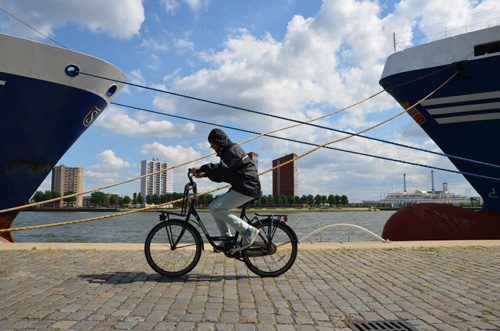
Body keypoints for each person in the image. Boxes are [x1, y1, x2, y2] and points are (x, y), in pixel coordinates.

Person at [190, 128, 261, 250]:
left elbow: (223, 168)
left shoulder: (233, 151)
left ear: (219, 141)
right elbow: (223, 174)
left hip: (248, 187)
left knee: (217, 208)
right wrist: (206, 174)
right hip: (242, 186)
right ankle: (227, 239)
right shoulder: (228, 152)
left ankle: (248, 230)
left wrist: (203, 168)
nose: (211, 147)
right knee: (213, 206)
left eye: (212, 143)